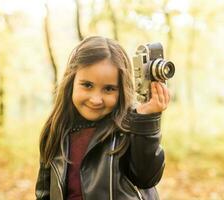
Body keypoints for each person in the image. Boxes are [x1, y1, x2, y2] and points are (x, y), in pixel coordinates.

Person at [35, 36, 170, 200]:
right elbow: (44, 193)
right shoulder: (56, 130)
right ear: (71, 81)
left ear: (121, 90)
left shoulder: (129, 127)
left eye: (109, 89)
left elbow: (146, 177)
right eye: (87, 85)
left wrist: (147, 121)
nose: (96, 99)